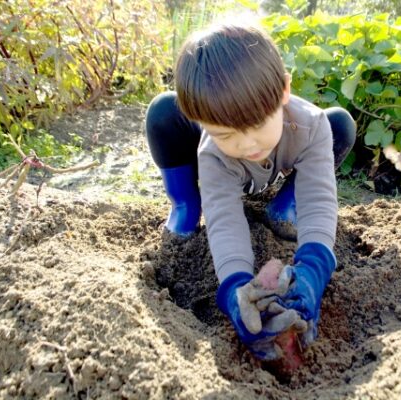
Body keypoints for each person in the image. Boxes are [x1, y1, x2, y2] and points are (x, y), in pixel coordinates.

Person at [145, 23, 356, 360]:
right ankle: (185, 206)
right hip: (220, 177)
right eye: (227, 134)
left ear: (284, 91)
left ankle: (286, 207)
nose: (246, 144)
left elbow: (320, 201)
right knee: (162, 111)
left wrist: (313, 270)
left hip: (290, 156)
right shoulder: (213, 152)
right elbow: (225, 222)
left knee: (340, 123)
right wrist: (234, 288)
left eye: (257, 125)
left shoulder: (311, 127)